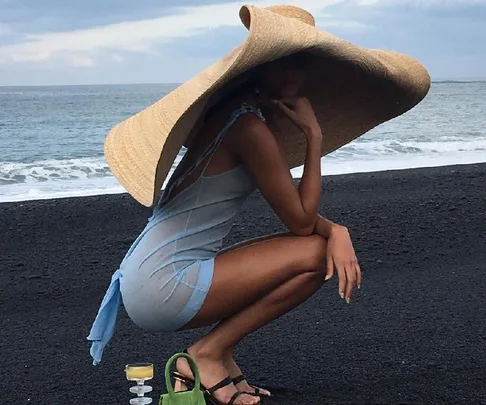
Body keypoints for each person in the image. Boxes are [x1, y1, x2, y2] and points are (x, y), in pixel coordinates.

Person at [88, 51, 361, 405]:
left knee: (306, 247)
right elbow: (302, 221)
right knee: (313, 253)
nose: (295, 74)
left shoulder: (234, 117)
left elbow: (291, 209)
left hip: (150, 273)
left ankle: (218, 355)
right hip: (163, 281)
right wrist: (313, 134)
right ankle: (206, 355)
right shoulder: (248, 128)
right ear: (259, 67)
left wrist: (337, 228)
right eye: (284, 62)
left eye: (302, 64)